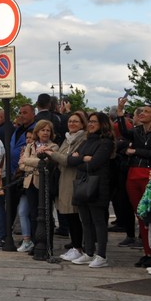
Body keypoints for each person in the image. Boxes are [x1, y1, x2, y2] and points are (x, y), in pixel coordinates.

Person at [114, 99, 151, 265]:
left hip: (148, 174)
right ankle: (147, 251)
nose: (142, 113)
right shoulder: (137, 131)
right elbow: (123, 131)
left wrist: (135, 151)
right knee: (141, 214)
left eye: (146, 112)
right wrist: (120, 113)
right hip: (133, 173)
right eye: (141, 111)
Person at [67, 111, 115, 268]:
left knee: (98, 221)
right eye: (90, 121)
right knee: (85, 221)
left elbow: (94, 164)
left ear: (102, 124)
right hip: (82, 184)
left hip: (97, 185)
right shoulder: (86, 140)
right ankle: (88, 252)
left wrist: (79, 158)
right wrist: (83, 158)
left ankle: (101, 255)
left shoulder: (106, 142)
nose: (91, 124)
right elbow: (71, 159)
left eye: (94, 121)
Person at [49, 111, 89, 262]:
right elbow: (64, 157)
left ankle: (79, 247)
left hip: (74, 179)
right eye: (70, 121)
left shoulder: (83, 139)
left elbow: (67, 160)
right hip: (63, 179)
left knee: (75, 215)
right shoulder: (67, 139)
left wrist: (52, 153)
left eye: (76, 122)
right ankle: (75, 245)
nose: (72, 124)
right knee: (69, 215)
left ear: (82, 124)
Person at [17, 120, 59, 253]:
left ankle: (48, 245)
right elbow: (21, 165)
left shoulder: (54, 147)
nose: (45, 133)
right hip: (29, 183)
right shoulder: (30, 145)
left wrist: (28, 161)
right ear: (37, 132)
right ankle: (36, 243)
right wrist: (31, 163)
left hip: (45, 184)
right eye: (43, 130)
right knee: (33, 214)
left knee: (46, 214)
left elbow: (45, 162)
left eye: (48, 130)